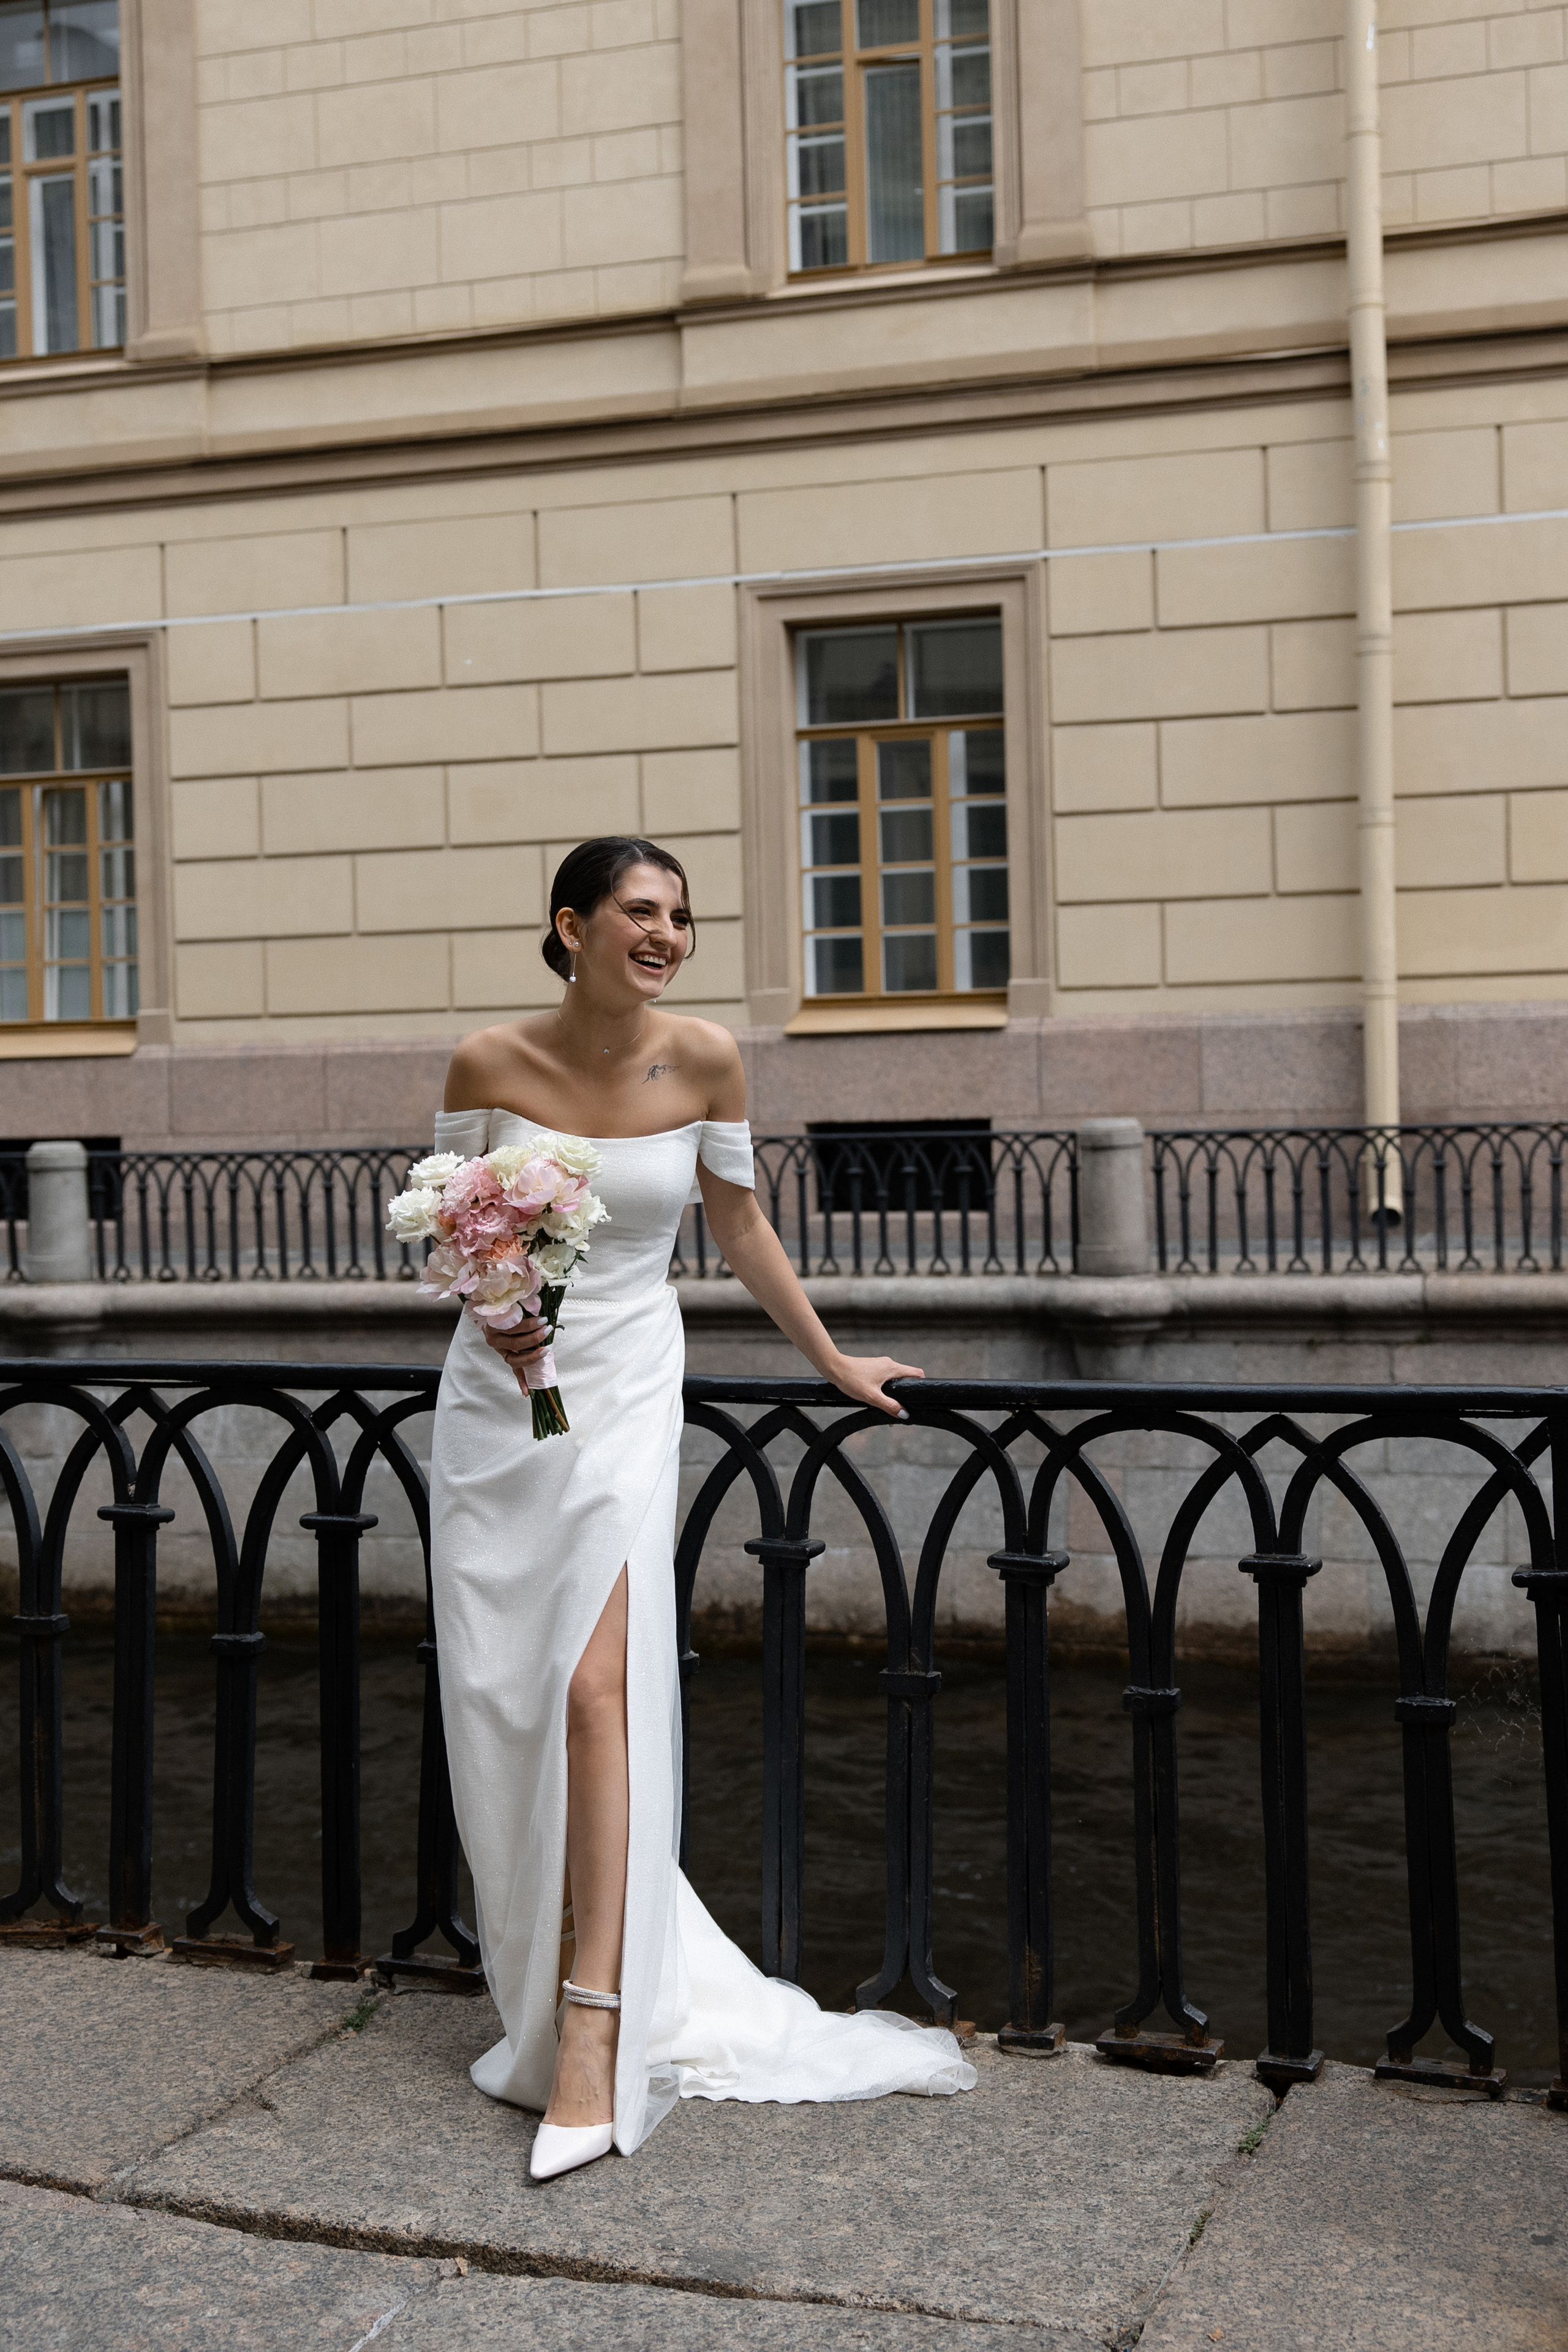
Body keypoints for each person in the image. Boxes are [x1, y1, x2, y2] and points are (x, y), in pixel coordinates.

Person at [428, 835, 975, 2183]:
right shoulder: (486, 1064)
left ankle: (592, 2036)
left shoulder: (710, 1058)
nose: (667, 934)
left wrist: (835, 1360)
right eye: (639, 911)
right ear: (570, 925)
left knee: (595, 1689)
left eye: (680, 915)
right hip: (504, 1402)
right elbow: (458, 1227)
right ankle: (541, 1980)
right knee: (507, 1693)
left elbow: (735, 1227)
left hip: (622, 1389)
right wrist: (496, 1310)